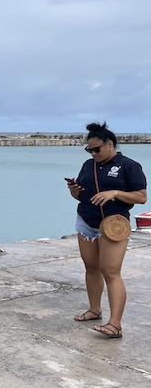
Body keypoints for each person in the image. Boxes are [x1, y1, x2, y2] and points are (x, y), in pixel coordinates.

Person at [66, 122, 146, 338]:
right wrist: (74, 191)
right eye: (89, 150)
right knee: (91, 268)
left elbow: (141, 196)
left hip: (114, 225)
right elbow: (82, 195)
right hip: (86, 221)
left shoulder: (128, 166)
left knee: (110, 272)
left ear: (110, 144)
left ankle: (115, 324)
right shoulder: (87, 165)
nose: (93, 153)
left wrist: (115, 193)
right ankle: (94, 310)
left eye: (97, 149)